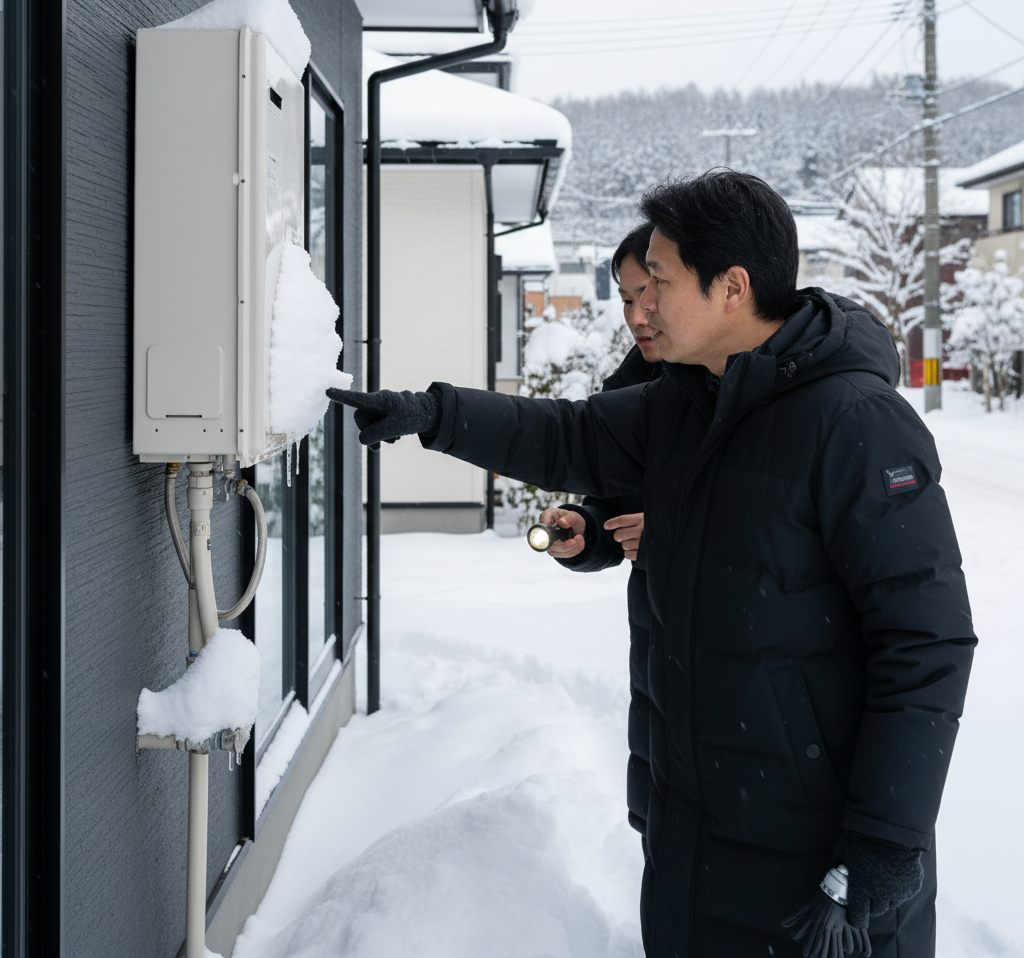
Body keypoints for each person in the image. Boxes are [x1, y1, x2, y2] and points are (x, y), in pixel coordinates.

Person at [329, 171, 975, 958]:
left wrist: (883, 839)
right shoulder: (685, 402)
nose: (641, 308)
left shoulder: (855, 425)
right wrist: (430, 415)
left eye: (658, 283)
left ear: (731, 287)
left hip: (816, 864)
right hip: (694, 826)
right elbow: (564, 435)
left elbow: (925, 639)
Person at [542, 221, 662, 856]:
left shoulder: (766, 395)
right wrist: (588, 532)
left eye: (651, 291)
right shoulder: (630, 394)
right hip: (665, 678)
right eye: (624, 295)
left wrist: (676, 534)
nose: (636, 314)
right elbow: (618, 514)